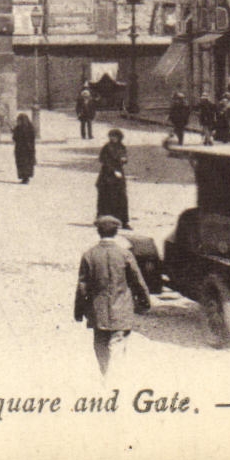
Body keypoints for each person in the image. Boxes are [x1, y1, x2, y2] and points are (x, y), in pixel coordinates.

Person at [74, 215, 151, 377]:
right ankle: (114, 381)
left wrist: (79, 311)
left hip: (98, 312)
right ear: (116, 232)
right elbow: (138, 281)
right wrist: (145, 302)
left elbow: (82, 287)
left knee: (100, 345)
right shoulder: (125, 255)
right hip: (121, 311)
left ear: (98, 231)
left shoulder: (89, 255)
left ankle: (106, 377)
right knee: (118, 346)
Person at [97, 129, 130, 229]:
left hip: (119, 176)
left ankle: (123, 221)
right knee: (108, 198)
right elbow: (103, 160)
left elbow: (124, 157)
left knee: (122, 198)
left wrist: (124, 160)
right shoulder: (107, 147)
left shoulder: (122, 147)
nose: (113, 138)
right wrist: (113, 170)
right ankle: (106, 222)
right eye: (111, 136)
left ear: (119, 137)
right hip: (107, 176)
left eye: (115, 136)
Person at [12, 112, 38, 183]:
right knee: (28, 163)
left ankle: (24, 177)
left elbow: (15, 138)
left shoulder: (18, 128)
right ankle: (27, 177)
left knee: (21, 163)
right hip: (29, 149)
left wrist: (14, 132)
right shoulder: (30, 127)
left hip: (20, 149)